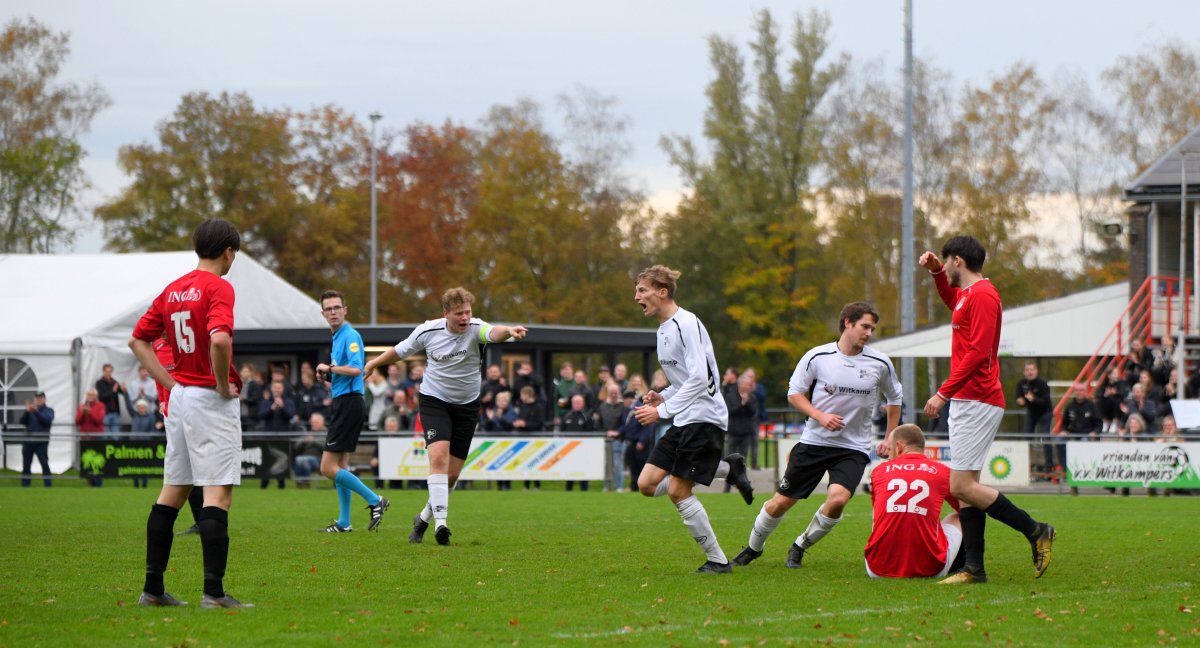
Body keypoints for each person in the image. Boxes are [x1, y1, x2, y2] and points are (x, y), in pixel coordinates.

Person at [128, 218, 250, 608]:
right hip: (208, 398)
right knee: (218, 492)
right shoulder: (219, 287)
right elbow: (219, 340)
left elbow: (137, 340)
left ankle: (153, 589)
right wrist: (220, 384)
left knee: (174, 490)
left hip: (180, 398)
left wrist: (170, 382)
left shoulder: (173, 289)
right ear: (228, 252)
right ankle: (213, 593)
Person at [918, 236, 1055, 584]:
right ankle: (974, 568)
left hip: (976, 399)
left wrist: (942, 393)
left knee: (961, 486)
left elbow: (978, 353)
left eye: (947, 261)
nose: (945, 266)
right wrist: (936, 272)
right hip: (970, 400)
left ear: (959, 261)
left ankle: (1035, 529)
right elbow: (952, 301)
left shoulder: (982, 295)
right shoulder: (968, 294)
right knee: (968, 488)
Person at [731, 301, 902, 570]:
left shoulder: (880, 362)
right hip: (815, 442)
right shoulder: (817, 356)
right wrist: (820, 416)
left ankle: (800, 546)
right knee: (780, 503)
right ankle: (753, 548)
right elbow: (794, 394)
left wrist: (890, 436)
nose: (869, 333)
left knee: (838, 500)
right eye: (865, 326)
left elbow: (895, 398)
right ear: (847, 323)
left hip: (853, 448)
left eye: (872, 328)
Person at [365, 287, 528, 546]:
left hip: (467, 406)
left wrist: (509, 330)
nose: (465, 318)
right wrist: (374, 363)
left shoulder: (476, 328)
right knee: (438, 457)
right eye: (459, 313)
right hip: (435, 401)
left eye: (467, 312)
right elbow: (400, 351)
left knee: (451, 476)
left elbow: (493, 332)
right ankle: (441, 524)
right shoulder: (428, 331)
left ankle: (423, 519)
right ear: (446, 314)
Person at [632, 265, 753, 574]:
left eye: (642, 290)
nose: (637, 297)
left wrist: (661, 412)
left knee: (677, 491)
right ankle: (729, 469)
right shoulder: (663, 329)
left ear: (662, 292)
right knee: (646, 484)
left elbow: (700, 379)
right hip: (684, 417)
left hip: (705, 416)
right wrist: (663, 397)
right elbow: (685, 380)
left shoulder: (687, 323)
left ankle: (718, 560)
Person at [314, 289, 389, 533]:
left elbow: (357, 369)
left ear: (345, 310)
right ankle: (344, 522)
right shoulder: (338, 337)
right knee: (341, 465)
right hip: (345, 401)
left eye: (337, 307)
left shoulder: (350, 335)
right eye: (329, 309)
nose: (333, 312)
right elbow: (345, 373)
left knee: (327, 468)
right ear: (323, 314)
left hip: (348, 404)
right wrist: (327, 376)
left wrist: (329, 368)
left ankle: (375, 500)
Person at [863, 424, 963, 579]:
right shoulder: (943, 472)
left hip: (877, 569)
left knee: (880, 516)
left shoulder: (879, 471)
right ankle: (963, 566)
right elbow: (965, 509)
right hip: (931, 569)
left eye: (890, 449)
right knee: (960, 517)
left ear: (899, 446)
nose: (889, 454)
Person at [723, 372, 758, 492]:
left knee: (742, 461)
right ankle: (727, 487)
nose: (748, 387)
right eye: (746, 384)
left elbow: (753, 413)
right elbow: (730, 411)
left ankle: (743, 486)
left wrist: (746, 403)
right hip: (733, 432)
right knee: (730, 460)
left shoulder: (752, 397)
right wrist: (741, 404)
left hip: (746, 433)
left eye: (749, 385)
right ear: (740, 384)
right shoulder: (731, 396)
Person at [19, 390, 54, 487]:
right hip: (28, 442)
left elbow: (46, 421)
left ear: (44, 399)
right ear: (34, 399)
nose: (38, 399)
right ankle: (25, 485)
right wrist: (27, 412)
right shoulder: (30, 411)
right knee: (26, 465)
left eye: (40, 398)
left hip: (41, 442)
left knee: (44, 464)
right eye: (37, 398)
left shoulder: (49, 410)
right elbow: (22, 422)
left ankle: (48, 485)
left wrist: (36, 412)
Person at [598, 383, 628, 492]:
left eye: (616, 393)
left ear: (618, 393)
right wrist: (605, 432)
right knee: (606, 464)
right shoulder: (602, 407)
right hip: (605, 439)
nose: (614, 395)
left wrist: (617, 432)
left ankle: (619, 486)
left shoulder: (623, 406)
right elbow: (599, 423)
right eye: (612, 393)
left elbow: (625, 423)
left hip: (619, 440)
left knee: (617, 464)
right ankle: (606, 487)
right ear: (608, 393)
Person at [75, 388, 106, 487]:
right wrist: (83, 413)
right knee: (87, 461)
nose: (90, 397)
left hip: (97, 437)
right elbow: (77, 421)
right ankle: (90, 482)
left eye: (92, 395)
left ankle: (98, 483)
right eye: (89, 395)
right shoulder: (81, 406)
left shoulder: (101, 406)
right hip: (85, 438)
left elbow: (99, 420)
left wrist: (89, 412)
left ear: (96, 396)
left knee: (97, 461)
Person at [1015, 361, 1052, 438]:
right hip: (1031, 412)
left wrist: (1033, 399)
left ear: (1036, 371)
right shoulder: (1021, 383)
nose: (1030, 372)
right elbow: (1018, 397)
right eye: (1027, 370)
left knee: (1045, 437)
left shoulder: (1042, 383)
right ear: (1024, 372)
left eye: (1032, 369)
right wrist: (1020, 401)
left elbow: (1045, 401)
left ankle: (1046, 445)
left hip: (1045, 412)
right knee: (1027, 436)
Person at [292, 413, 325, 488]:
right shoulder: (308, 433)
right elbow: (296, 447)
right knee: (299, 459)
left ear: (321, 423)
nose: (313, 424)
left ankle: (303, 482)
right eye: (312, 422)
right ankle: (302, 482)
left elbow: (325, 448)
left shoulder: (326, 433)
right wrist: (304, 441)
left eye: (315, 422)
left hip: (319, 460)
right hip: (303, 458)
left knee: (303, 459)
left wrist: (313, 441)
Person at [96, 363, 125, 434]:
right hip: (105, 413)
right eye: (107, 371)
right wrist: (112, 391)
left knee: (116, 436)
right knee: (105, 435)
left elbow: (121, 392)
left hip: (115, 413)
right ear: (103, 371)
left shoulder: (114, 382)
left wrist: (123, 389)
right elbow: (101, 397)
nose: (109, 373)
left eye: (110, 371)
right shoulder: (99, 383)